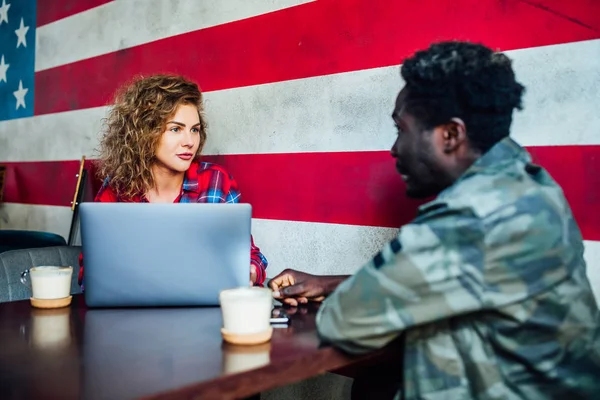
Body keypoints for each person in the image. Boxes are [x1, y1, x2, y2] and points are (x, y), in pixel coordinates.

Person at [269, 41, 600, 398]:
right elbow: (452, 274)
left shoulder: (471, 214)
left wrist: (340, 294)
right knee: (375, 384)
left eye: (401, 129)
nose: (394, 149)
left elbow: (344, 321)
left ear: (451, 135)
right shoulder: (528, 183)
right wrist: (327, 282)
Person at [78, 74, 268, 289]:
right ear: (144, 133)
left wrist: (249, 270)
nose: (189, 142)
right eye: (176, 129)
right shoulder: (117, 188)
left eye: (194, 130)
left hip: (203, 313)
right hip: (134, 314)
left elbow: (250, 255)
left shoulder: (216, 182)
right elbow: (90, 271)